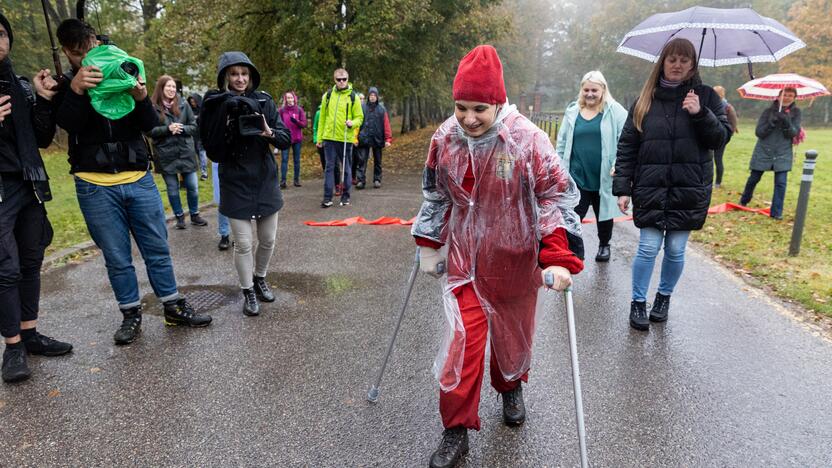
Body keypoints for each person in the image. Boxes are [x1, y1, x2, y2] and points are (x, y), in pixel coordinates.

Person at [411, 45, 584, 468]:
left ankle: (510, 387)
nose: (468, 118)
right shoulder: (445, 138)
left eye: (480, 108)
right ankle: (456, 430)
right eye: (461, 107)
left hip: (516, 262)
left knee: (511, 340)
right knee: (461, 346)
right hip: (465, 264)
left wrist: (557, 255)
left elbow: (553, 199)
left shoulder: (527, 140)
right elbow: (436, 195)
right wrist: (429, 243)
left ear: (499, 102)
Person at [53, 18, 212, 345]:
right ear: (66, 53)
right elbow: (69, 124)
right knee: (116, 256)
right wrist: (77, 89)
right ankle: (130, 314)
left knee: (157, 247)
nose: (86, 60)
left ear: (97, 42)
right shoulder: (66, 84)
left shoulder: (122, 67)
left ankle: (172, 306)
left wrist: (140, 95)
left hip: (138, 177)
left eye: (89, 50)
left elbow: (151, 124)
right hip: (93, 183)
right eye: (77, 55)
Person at [613, 38, 730, 332]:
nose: (677, 65)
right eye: (672, 59)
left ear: (693, 64)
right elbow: (628, 144)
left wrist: (700, 113)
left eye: (684, 60)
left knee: (676, 249)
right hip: (651, 186)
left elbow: (720, 139)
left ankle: (663, 298)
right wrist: (623, 187)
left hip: (688, 188)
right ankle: (638, 302)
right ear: (663, 62)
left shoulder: (705, 97)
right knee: (648, 248)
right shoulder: (645, 100)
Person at [0, 14, 73, 383]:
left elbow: (43, 139)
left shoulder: (21, 86)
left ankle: (29, 334)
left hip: (27, 182)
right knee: (5, 268)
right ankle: (12, 347)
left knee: (30, 259)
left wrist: (43, 101)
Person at [200, 52, 291, 316]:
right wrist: (226, 120)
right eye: (234, 74)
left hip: (264, 179)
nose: (240, 79)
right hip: (235, 181)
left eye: (244, 74)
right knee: (242, 243)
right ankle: (248, 290)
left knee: (268, 239)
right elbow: (210, 147)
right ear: (225, 76)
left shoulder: (264, 100)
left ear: (250, 76)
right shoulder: (215, 104)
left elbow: (285, 139)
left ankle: (260, 277)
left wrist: (268, 131)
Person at [556, 71, 627, 262]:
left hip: (603, 174)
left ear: (603, 90)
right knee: (573, 214)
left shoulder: (615, 111)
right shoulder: (572, 111)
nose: (590, 94)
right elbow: (562, 142)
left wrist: (618, 164)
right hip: (577, 175)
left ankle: (604, 245)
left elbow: (625, 140)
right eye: (586, 89)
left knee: (603, 214)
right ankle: (574, 250)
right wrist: (559, 168)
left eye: (594, 90)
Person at [147, 75, 207, 230]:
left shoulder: (183, 104)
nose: (172, 89)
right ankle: (179, 217)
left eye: (174, 87)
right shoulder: (152, 107)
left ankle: (194, 214)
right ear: (161, 88)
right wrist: (167, 129)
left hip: (185, 152)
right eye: (168, 86)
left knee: (192, 186)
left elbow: (194, 127)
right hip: (165, 154)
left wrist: (181, 128)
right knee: (173, 188)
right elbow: (149, 131)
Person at [739, 88, 801, 220]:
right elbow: (759, 132)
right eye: (785, 95)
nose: (787, 98)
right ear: (778, 96)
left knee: (781, 183)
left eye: (791, 96)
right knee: (754, 178)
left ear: (794, 98)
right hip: (764, 149)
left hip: (783, 152)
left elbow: (793, 133)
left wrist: (786, 122)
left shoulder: (796, 112)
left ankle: (776, 212)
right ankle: (744, 199)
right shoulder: (768, 112)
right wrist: (771, 124)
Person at [316, 68, 363, 207]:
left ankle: (345, 196)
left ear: (348, 79)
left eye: (344, 79)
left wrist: (352, 123)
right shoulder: (328, 96)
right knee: (329, 167)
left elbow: (360, 117)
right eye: (338, 79)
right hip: (329, 137)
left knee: (346, 168)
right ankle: (327, 197)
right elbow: (323, 118)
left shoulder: (353, 97)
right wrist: (319, 138)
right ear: (334, 80)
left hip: (345, 138)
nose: (341, 82)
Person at [355, 87, 392, 189]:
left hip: (377, 138)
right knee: (362, 160)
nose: (372, 97)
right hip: (364, 137)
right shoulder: (362, 108)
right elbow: (357, 124)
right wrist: (355, 138)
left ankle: (377, 179)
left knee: (378, 161)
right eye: (371, 95)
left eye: (374, 95)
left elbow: (386, 125)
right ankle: (360, 181)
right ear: (368, 96)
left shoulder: (381, 109)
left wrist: (388, 139)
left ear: (377, 97)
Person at [277, 91, 306, 188]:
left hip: (297, 138)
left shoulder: (299, 110)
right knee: (284, 159)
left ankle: (296, 180)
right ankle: (283, 182)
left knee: (296, 160)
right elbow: (278, 123)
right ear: (285, 99)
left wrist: (297, 121)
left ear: (294, 98)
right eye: (287, 98)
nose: (289, 100)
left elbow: (304, 124)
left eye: (291, 98)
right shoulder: (282, 110)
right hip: (285, 138)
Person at [711, 85, 738, 188]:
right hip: (708, 135)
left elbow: (733, 123)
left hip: (721, 137)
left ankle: (718, 182)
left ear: (722, 94)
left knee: (718, 159)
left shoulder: (728, 107)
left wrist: (726, 136)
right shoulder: (709, 104)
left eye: (717, 93)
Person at [187, 93, 209, 180]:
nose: (193, 103)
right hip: (193, 136)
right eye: (191, 102)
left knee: (202, 153)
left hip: (202, 135)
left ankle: (204, 173)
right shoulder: (189, 110)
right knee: (197, 153)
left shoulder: (203, 110)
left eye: (194, 101)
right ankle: (199, 171)